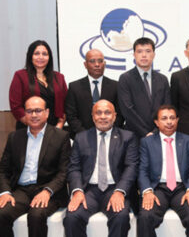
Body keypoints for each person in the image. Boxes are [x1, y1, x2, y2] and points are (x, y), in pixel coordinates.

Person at [63, 99, 138, 237]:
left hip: (115, 188)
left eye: (107, 113)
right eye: (98, 113)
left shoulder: (127, 137)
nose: (103, 116)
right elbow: (74, 168)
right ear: (92, 117)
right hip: (88, 191)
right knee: (72, 217)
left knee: (120, 217)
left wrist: (120, 191)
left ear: (115, 116)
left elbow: (131, 167)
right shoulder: (81, 138)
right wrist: (77, 191)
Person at [0, 96, 71, 237]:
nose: (33, 115)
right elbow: (3, 170)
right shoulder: (15, 137)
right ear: (24, 113)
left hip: (49, 191)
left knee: (36, 215)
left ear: (47, 112)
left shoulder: (61, 136)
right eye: (29, 111)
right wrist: (5, 192)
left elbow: (64, 172)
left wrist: (48, 191)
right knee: (2, 213)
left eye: (38, 110)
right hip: (22, 190)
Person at [137, 105, 189, 237]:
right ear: (156, 122)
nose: (169, 122)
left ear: (177, 120)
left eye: (172, 118)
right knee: (145, 216)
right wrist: (147, 191)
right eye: (164, 118)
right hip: (158, 189)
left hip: (182, 189)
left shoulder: (188, 141)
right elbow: (142, 169)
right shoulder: (147, 142)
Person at [118, 37, 171, 139]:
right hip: (133, 135)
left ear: (153, 54)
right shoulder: (125, 78)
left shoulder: (162, 79)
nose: (144, 55)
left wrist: (155, 131)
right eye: (139, 51)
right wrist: (146, 133)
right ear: (134, 55)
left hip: (158, 135)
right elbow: (127, 110)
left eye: (148, 51)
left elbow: (167, 108)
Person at [65, 49, 124, 139]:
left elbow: (120, 113)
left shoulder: (115, 86)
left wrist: (108, 132)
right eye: (92, 61)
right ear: (85, 64)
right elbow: (71, 115)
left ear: (104, 64)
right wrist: (84, 135)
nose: (97, 65)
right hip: (83, 138)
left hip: (110, 137)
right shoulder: (74, 87)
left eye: (100, 61)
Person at [9, 40, 67, 130]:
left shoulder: (59, 77)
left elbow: (65, 105)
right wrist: (35, 126)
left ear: (49, 57)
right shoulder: (20, 75)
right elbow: (16, 106)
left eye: (45, 54)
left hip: (55, 129)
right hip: (28, 128)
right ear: (30, 56)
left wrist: (58, 127)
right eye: (36, 53)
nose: (41, 57)